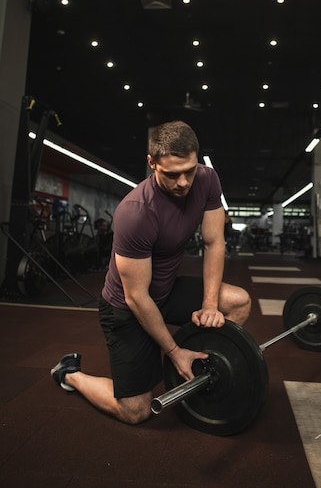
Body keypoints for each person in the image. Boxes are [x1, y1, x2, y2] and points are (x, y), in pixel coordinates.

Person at [51, 121, 251, 425]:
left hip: (166, 291)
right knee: (135, 412)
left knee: (237, 302)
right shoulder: (136, 212)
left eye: (190, 170)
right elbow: (136, 298)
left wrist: (210, 305)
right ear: (152, 163)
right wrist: (173, 350)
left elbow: (213, 243)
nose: (183, 182)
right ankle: (70, 373)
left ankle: (198, 370)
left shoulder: (207, 180)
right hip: (127, 309)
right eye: (172, 174)